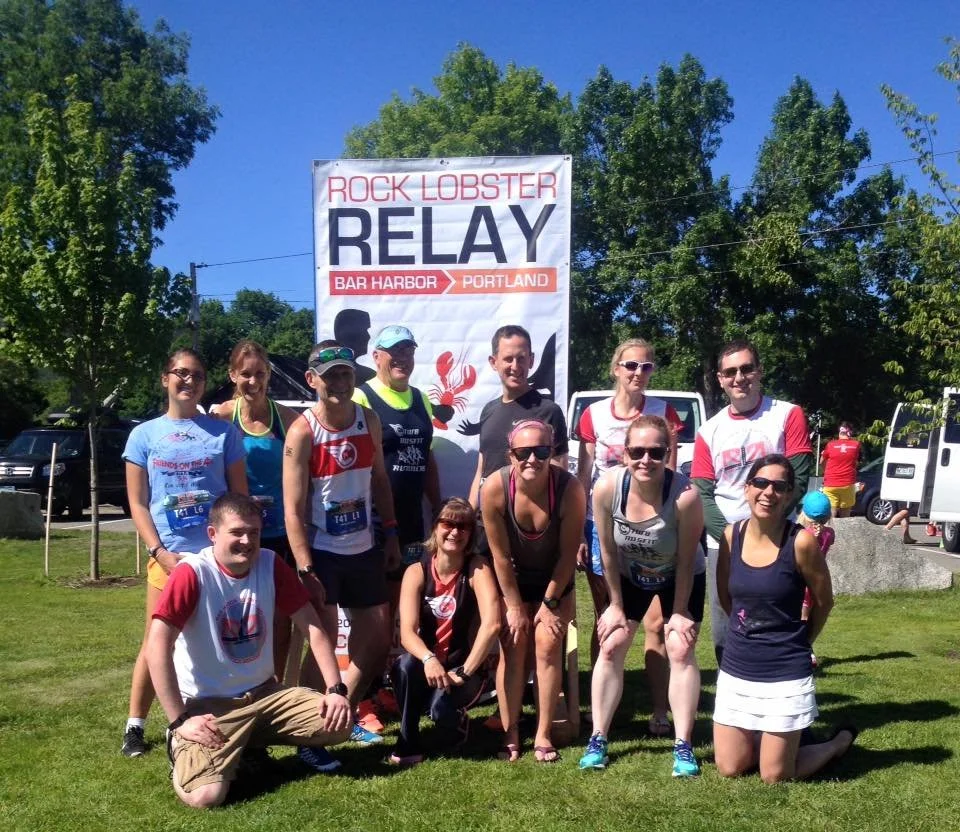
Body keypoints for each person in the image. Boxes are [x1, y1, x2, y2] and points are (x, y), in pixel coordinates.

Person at [145, 494, 352, 808]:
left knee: (339, 722)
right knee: (205, 798)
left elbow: (311, 626)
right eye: (237, 532)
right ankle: (181, 745)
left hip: (265, 695)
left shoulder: (270, 564)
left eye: (254, 533)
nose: (247, 541)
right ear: (213, 534)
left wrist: (336, 689)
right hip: (209, 708)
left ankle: (247, 745)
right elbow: (157, 647)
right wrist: (180, 720)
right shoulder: (192, 574)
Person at [120, 348, 248, 758]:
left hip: (215, 560)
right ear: (165, 379)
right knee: (155, 641)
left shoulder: (223, 434)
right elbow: (138, 503)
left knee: (221, 639)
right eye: (180, 373)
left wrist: (231, 549)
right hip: (169, 558)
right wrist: (157, 551)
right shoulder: (144, 435)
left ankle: (231, 718)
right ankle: (135, 725)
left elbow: (238, 498)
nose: (187, 381)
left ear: (204, 383)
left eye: (195, 375)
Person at [282, 340, 402, 750]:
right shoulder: (303, 430)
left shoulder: (367, 419)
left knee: (377, 636)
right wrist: (305, 567)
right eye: (330, 374)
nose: (338, 382)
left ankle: (339, 711)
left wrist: (390, 532)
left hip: (365, 546)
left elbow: (381, 481)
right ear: (312, 379)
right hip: (322, 553)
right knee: (324, 642)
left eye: (345, 373)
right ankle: (305, 733)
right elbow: (293, 509)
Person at [713, 454, 856, 783]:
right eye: (761, 483)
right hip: (738, 666)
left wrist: (803, 641)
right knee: (730, 767)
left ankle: (837, 743)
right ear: (747, 488)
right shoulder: (731, 537)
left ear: (790, 495)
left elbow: (824, 601)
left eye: (779, 486)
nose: (768, 492)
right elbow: (726, 598)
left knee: (774, 776)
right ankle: (773, 740)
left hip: (785, 670)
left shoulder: (801, 542)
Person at [578, 415, 705, 777]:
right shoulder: (606, 488)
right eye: (637, 451)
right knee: (612, 642)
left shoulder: (684, 496)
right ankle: (598, 738)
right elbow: (607, 550)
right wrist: (615, 606)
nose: (645, 460)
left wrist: (679, 611)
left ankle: (683, 745)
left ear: (668, 453)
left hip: (679, 575)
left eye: (655, 451)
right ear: (624, 454)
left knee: (679, 646)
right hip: (630, 574)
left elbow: (685, 559)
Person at [576, 337, 688, 737]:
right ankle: (599, 708)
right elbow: (583, 478)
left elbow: (673, 480)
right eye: (630, 366)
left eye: (646, 366)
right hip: (603, 526)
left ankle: (660, 709)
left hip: (656, 530)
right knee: (608, 617)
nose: (638, 373)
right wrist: (580, 530)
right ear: (615, 369)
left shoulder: (664, 413)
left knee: (657, 622)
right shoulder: (592, 415)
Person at [691, 339, 812, 662]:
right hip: (724, 543)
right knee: (725, 628)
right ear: (720, 379)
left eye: (746, 369)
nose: (739, 378)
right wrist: (734, 537)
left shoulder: (788, 415)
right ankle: (731, 690)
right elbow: (703, 494)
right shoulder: (709, 431)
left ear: (759, 372)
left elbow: (797, 479)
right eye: (730, 372)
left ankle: (778, 683)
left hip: (778, 538)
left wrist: (764, 530)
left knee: (779, 618)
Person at [352, 324, 441, 727]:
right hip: (370, 524)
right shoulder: (361, 395)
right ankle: (360, 701)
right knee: (373, 617)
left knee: (400, 615)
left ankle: (386, 687)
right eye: (393, 351)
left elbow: (428, 460)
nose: (401, 357)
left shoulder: (422, 398)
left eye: (408, 349)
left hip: (410, 526)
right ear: (377, 358)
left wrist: (438, 509)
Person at [482, 420, 586, 762]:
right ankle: (511, 731)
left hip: (555, 580)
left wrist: (550, 602)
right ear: (511, 455)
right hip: (514, 579)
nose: (532, 459)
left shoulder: (569, 489)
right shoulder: (495, 489)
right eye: (523, 452)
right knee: (513, 644)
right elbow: (499, 556)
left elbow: (568, 555)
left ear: (552, 452)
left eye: (542, 451)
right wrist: (513, 606)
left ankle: (542, 733)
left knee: (548, 643)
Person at [211, 340, 300, 681]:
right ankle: (235, 685)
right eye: (245, 374)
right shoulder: (222, 417)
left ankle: (275, 689)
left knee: (280, 617)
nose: (253, 381)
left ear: (269, 375)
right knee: (236, 615)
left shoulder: (288, 420)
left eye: (260, 373)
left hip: (279, 534)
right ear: (232, 375)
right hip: (238, 535)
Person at [389, 498, 500, 766]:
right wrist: (429, 660)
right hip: (429, 665)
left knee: (440, 713)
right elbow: (407, 632)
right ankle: (407, 738)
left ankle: (457, 721)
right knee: (404, 666)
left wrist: (464, 672)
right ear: (435, 528)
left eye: (463, 526)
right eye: (448, 523)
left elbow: (492, 624)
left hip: (464, 669)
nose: (455, 532)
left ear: (471, 533)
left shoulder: (477, 568)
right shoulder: (416, 571)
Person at [468, 325, 569, 515]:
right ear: (493, 362)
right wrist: (470, 514)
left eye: (521, 358)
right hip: (485, 523)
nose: (515, 366)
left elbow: (558, 478)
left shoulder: (549, 411)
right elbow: (481, 469)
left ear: (531, 360)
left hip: (526, 526)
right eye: (508, 359)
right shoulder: (488, 410)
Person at [797, 490, 835, 668]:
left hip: (801, 584)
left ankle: (801, 651)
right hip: (816, 584)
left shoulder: (802, 535)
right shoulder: (829, 534)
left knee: (801, 619)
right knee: (811, 619)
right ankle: (808, 647)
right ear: (828, 515)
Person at [819, 422, 861, 517]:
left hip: (830, 484)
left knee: (830, 516)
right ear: (850, 433)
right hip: (848, 484)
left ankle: (830, 531)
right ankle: (842, 531)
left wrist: (827, 472)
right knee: (845, 517)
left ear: (839, 432)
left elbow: (821, 461)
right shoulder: (856, 445)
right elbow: (857, 463)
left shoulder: (830, 444)